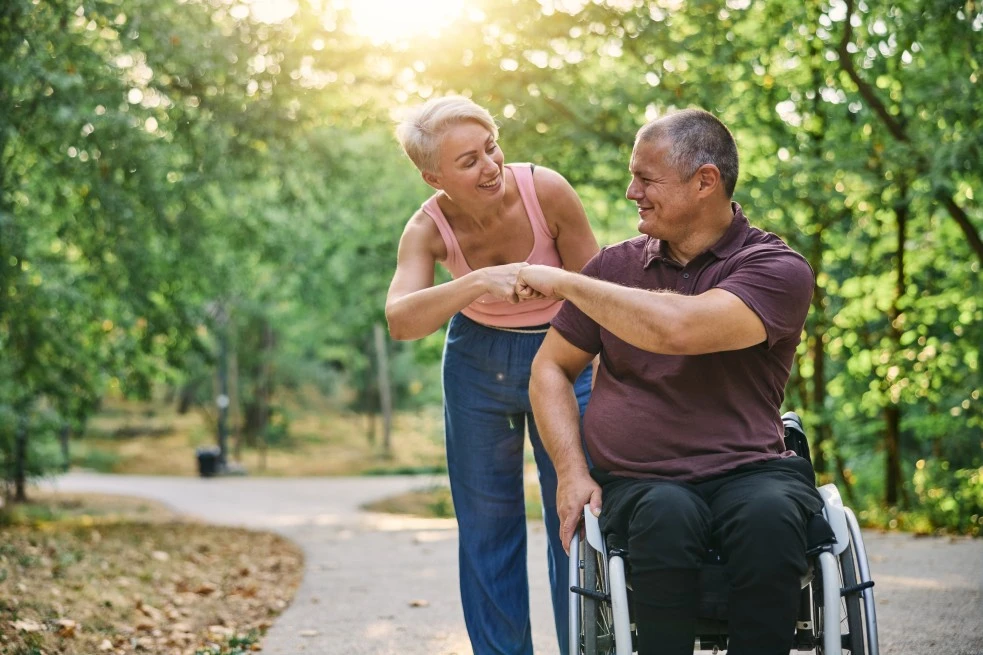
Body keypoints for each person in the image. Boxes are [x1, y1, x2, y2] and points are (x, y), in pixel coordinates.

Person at [517, 108, 825, 655]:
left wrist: (564, 281)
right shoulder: (613, 268)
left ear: (705, 180)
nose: (632, 191)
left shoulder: (777, 268)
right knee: (665, 514)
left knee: (770, 516)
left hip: (749, 469)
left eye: (647, 178)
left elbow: (679, 329)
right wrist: (570, 472)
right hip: (640, 479)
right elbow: (549, 368)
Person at [385, 95, 599, 655]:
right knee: (486, 524)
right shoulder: (425, 229)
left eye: (492, 147)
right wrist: (479, 281)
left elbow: (600, 295)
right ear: (433, 176)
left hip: (564, 354)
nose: (491, 165)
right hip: (477, 363)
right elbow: (401, 320)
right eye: (469, 161)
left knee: (576, 518)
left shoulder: (546, 191)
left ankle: (583, 646)